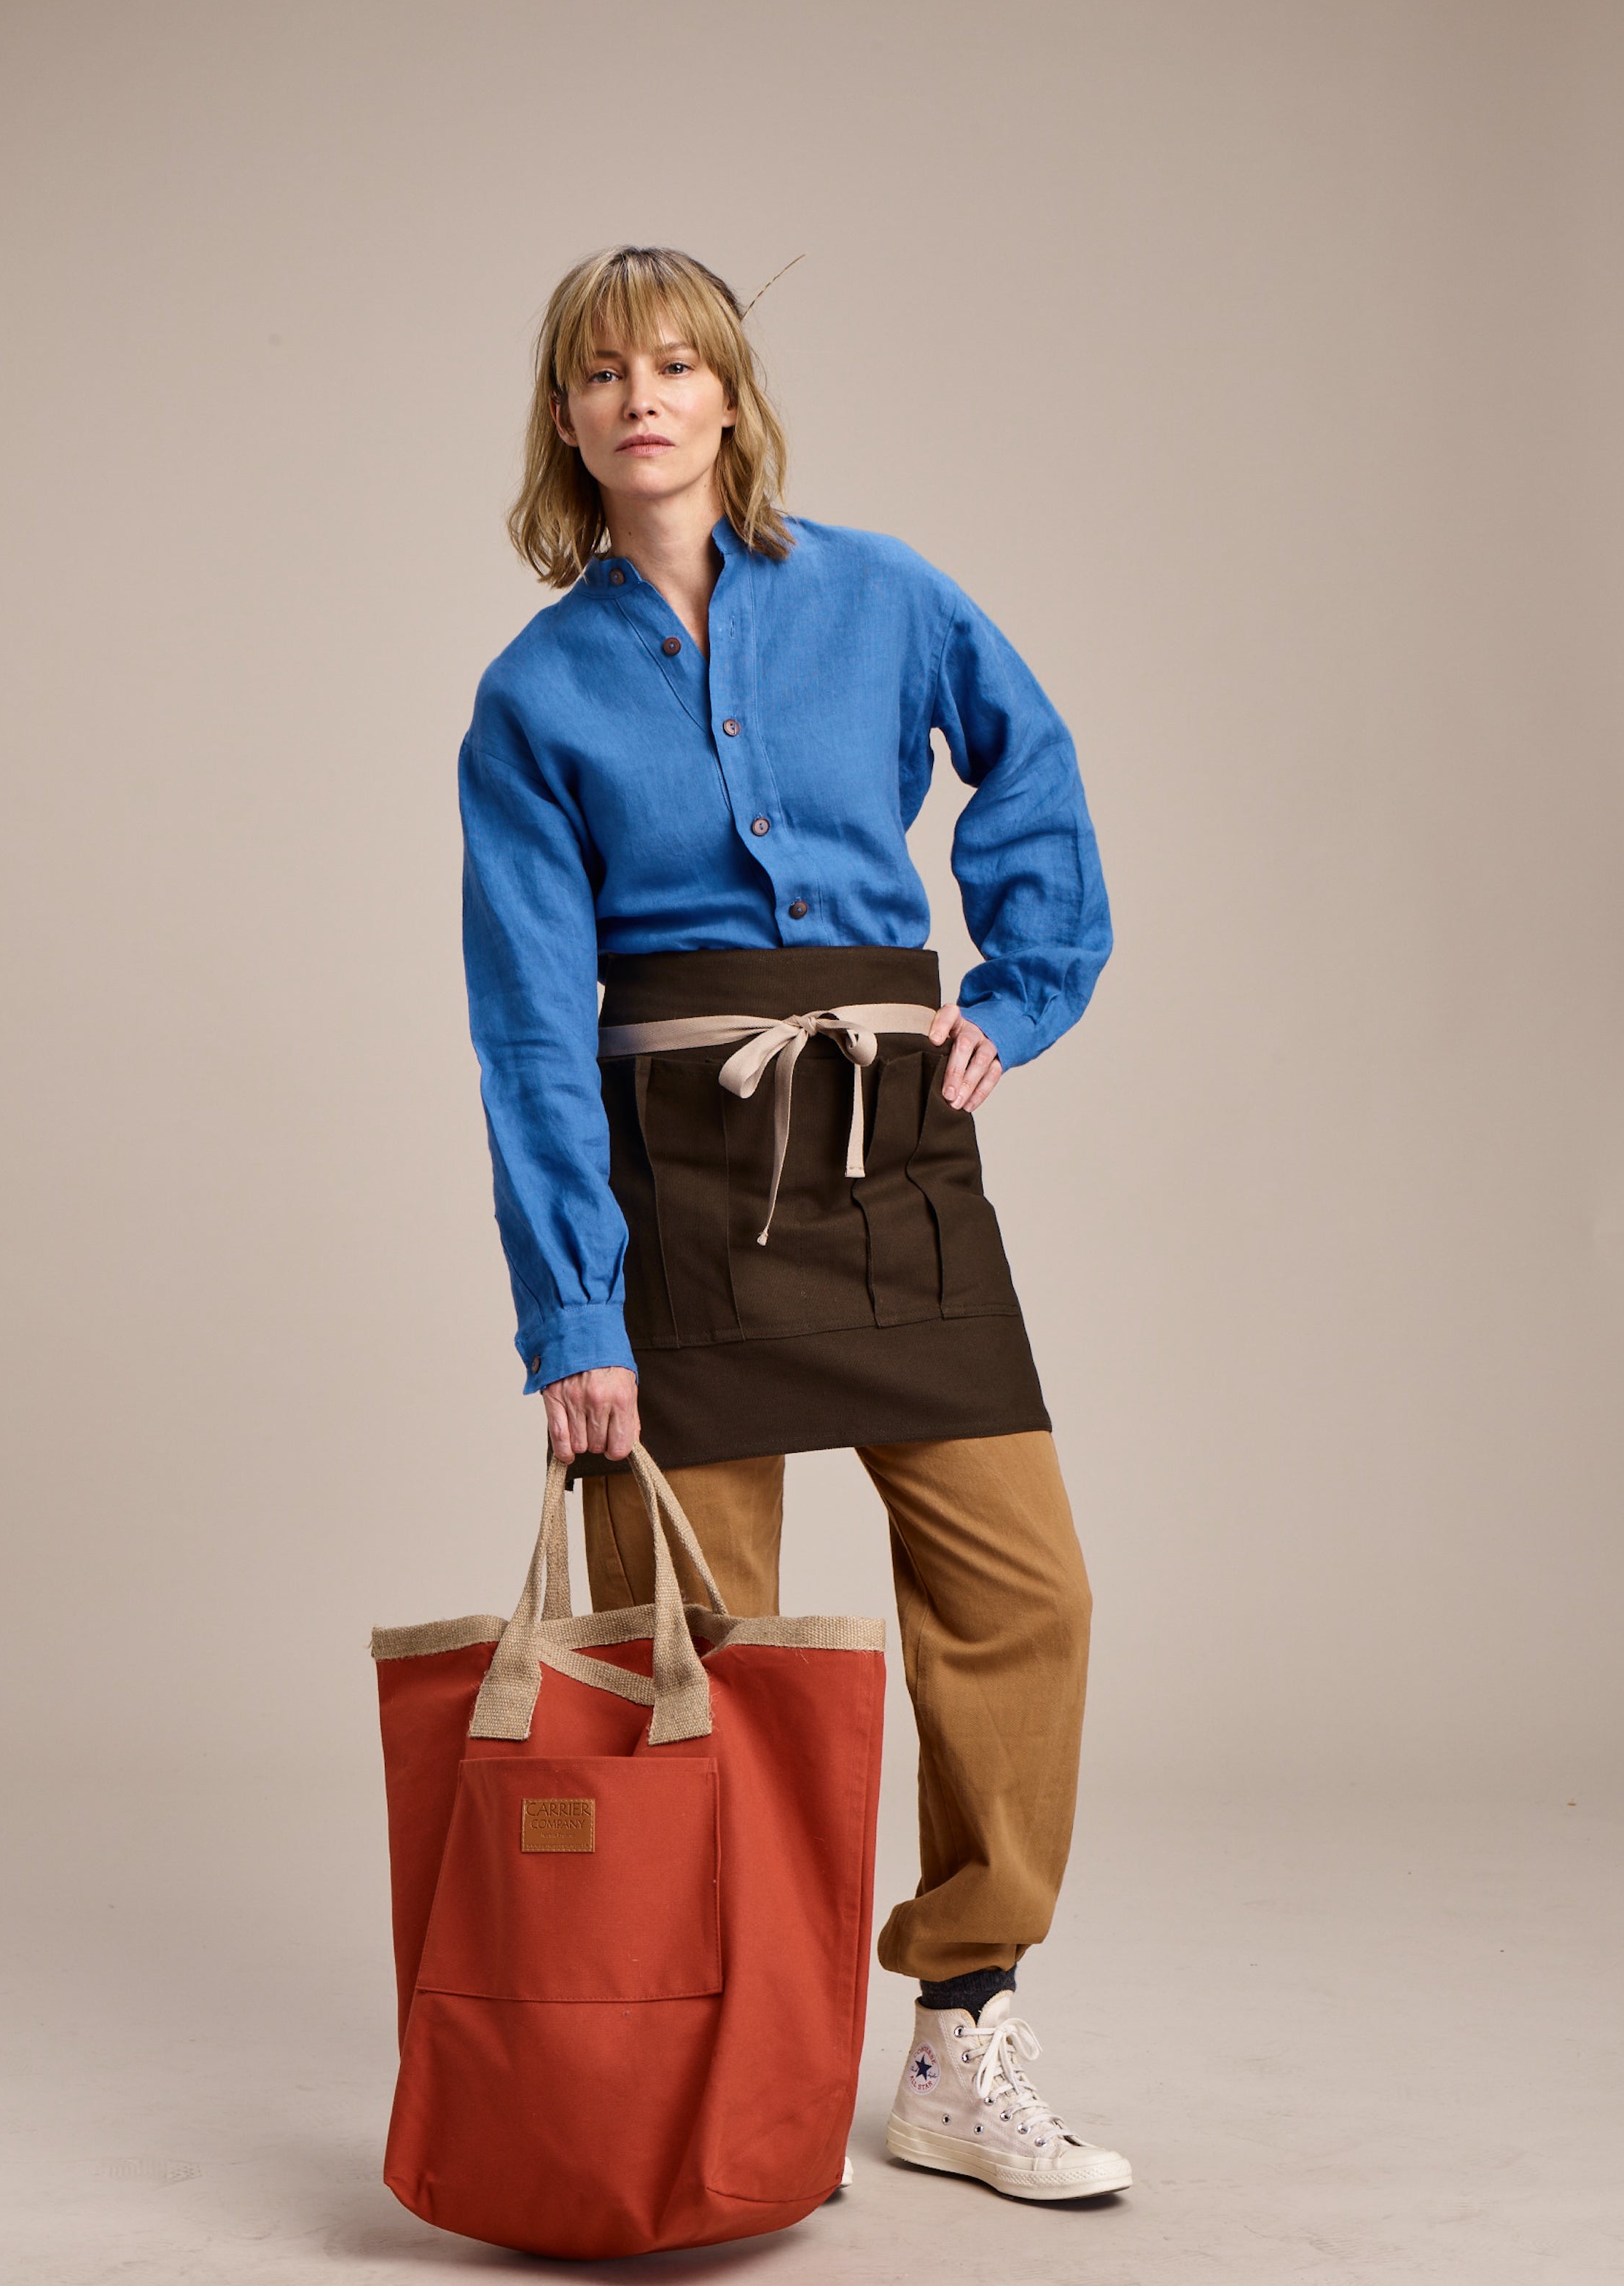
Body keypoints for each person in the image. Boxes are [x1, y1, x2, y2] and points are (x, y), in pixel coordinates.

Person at [457, 244, 1129, 2202]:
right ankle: (714, 2060)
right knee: (683, 1640)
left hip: (885, 1141)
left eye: (677, 365)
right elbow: (522, 1022)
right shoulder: (534, 693)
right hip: (667, 1169)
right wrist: (570, 1312)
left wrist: (1014, 994)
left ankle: (958, 2023)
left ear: (730, 397)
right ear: (565, 420)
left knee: (1025, 1590)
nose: (642, 398)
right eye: (602, 374)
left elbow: (1037, 779)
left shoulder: (886, 595)